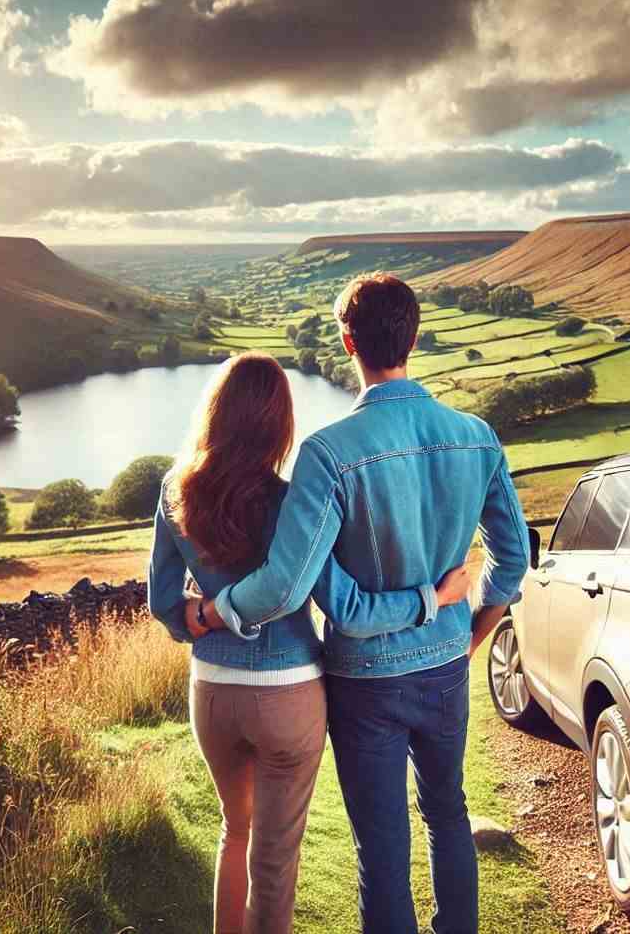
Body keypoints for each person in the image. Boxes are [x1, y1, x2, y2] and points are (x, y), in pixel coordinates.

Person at [192, 275, 530, 934]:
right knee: (449, 812)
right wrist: (466, 628)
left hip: (365, 681)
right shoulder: (477, 436)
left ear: (348, 342)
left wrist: (211, 610)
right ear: (416, 336)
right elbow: (512, 559)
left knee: (381, 847)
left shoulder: (327, 454)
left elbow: (310, 594)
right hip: (444, 668)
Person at [148, 351, 468, 934]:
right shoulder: (291, 498)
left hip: (212, 691)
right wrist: (433, 599)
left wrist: (195, 618)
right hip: (288, 692)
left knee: (233, 831)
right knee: (274, 859)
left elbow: (162, 602)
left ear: (216, 411)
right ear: (277, 422)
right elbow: (331, 601)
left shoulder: (175, 489)